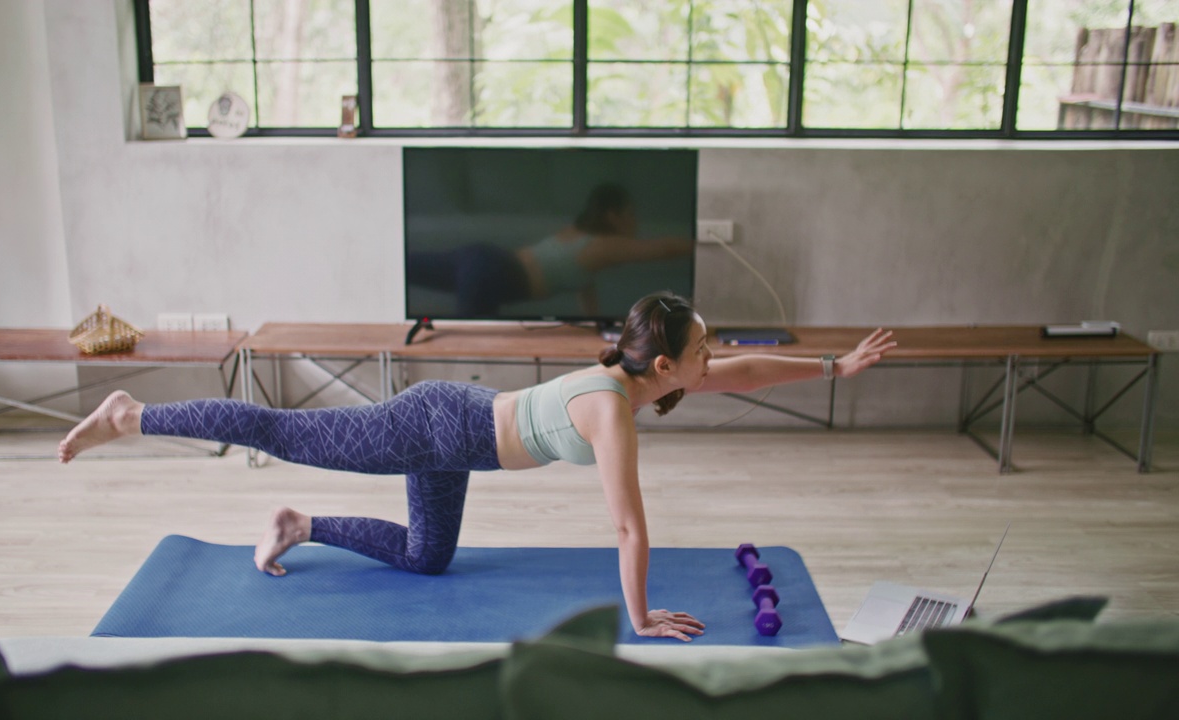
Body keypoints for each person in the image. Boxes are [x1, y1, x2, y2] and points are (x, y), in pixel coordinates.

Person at [58, 292, 895, 642]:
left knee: (428, 557)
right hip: (432, 427)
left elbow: (744, 367)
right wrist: (638, 619)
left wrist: (835, 369)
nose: (714, 359)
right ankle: (133, 414)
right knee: (284, 432)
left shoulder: (644, 381)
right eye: (702, 349)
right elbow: (629, 526)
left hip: (456, 436)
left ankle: (297, 526)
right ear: (665, 363)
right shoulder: (611, 411)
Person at [406, 184, 693, 317]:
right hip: (496, 275)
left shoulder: (584, 239)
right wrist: (704, 243)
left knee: (405, 266)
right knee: (470, 347)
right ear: (613, 216)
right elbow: (663, 249)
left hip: (481, 259)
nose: (635, 220)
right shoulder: (607, 246)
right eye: (630, 212)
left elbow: (584, 285)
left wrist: (595, 325)